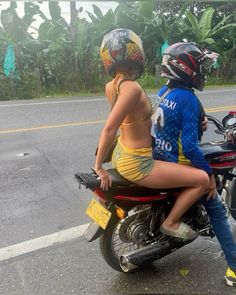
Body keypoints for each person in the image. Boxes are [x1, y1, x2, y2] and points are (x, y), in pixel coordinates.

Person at [95, 28, 212, 242]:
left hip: (123, 153)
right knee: (202, 179)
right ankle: (171, 222)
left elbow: (127, 122)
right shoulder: (132, 88)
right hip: (139, 163)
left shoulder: (111, 86)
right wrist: (99, 167)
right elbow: (110, 128)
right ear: (135, 53)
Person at [152, 41, 236, 287]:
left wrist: (199, 124)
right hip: (179, 163)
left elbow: (167, 124)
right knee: (218, 211)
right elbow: (189, 147)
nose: (204, 71)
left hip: (161, 157)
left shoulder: (164, 91)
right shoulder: (187, 98)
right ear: (187, 68)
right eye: (201, 66)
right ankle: (234, 268)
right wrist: (208, 175)